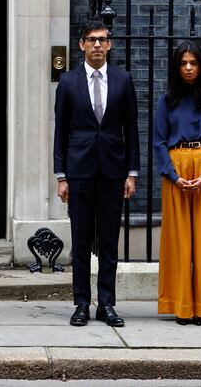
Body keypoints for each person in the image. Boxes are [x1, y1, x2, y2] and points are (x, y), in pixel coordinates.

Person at [53, 20, 139, 328]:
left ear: (110, 44)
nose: (98, 45)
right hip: (79, 171)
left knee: (108, 242)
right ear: (82, 45)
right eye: (92, 40)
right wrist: (61, 176)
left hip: (113, 170)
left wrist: (132, 173)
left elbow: (132, 130)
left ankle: (107, 303)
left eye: (103, 40)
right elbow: (60, 132)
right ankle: (81, 303)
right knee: (81, 239)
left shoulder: (123, 80)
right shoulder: (68, 82)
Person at [154, 42, 201, 325]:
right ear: (177, 67)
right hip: (176, 171)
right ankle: (182, 306)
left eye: (193, 63)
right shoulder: (167, 100)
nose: (188, 67)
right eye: (183, 63)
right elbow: (159, 141)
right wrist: (173, 176)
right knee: (178, 242)